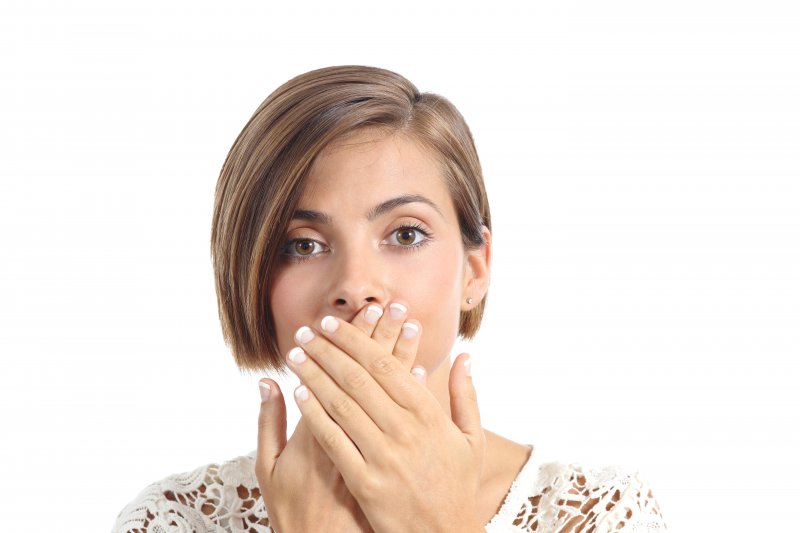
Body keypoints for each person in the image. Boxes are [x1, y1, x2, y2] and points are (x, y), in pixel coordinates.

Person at [112, 65, 668, 532]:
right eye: (302, 244)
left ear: (476, 270)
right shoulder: (176, 518)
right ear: (253, 280)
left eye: (405, 234)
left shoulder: (600, 513)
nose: (356, 285)